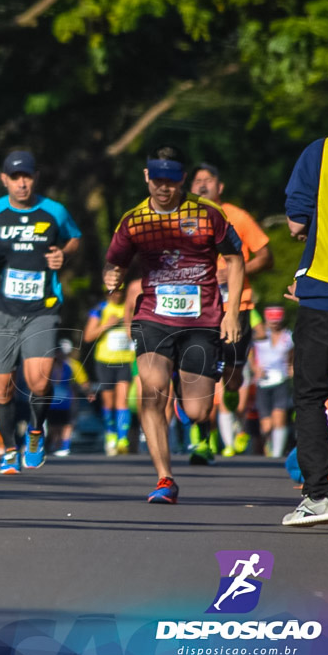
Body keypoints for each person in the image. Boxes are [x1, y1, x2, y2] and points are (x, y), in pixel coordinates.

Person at [104, 145, 244, 504]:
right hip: (154, 316)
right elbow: (114, 263)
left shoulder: (207, 215)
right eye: (158, 180)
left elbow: (235, 258)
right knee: (151, 389)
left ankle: (198, 387)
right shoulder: (134, 220)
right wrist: (113, 279)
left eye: (171, 180)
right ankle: (165, 478)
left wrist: (231, 313)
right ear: (147, 177)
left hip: (202, 319)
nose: (164, 187)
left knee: (198, 411)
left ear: (182, 179)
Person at [0, 150, 81, 475]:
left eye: (26, 176)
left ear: (35, 177)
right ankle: (10, 448)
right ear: (4, 180)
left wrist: (62, 256)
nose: (21, 184)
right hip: (1, 309)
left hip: (42, 308)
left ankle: (36, 433)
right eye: (15, 178)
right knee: (1, 387)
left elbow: (74, 239)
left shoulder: (54, 212)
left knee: (38, 381)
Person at [281, 80, 328, 526]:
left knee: (310, 392)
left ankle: (320, 496)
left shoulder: (321, 152)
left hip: (325, 290)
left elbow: (294, 224)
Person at [190, 162, 273, 460]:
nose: (202, 186)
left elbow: (266, 256)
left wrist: (238, 269)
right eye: (197, 181)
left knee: (233, 377)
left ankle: (232, 413)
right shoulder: (184, 217)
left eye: (208, 180)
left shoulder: (237, 217)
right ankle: (200, 440)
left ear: (219, 186)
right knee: (197, 375)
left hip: (237, 308)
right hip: (198, 308)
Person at [83, 286, 135, 456]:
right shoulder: (100, 309)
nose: (116, 295)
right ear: (107, 293)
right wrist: (106, 325)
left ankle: (122, 439)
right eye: (112, 292)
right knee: (109, 402)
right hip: (104, 360)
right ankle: (111, 433)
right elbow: (88, 336)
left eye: (120, 291)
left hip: (124, 360)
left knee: (123, 400)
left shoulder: (128, 308)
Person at [252, 306, 293, 458]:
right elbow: (250, 353)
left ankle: (277, 454)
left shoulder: (288, 336)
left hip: (281, 380)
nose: (274, 324)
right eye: (272, 321)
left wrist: (292, 367)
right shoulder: (260, 335)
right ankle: (267, 444)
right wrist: (255, 368)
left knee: (279, 417)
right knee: (267, 424)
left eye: (277, 321)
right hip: (262, 382)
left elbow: (292, 355)